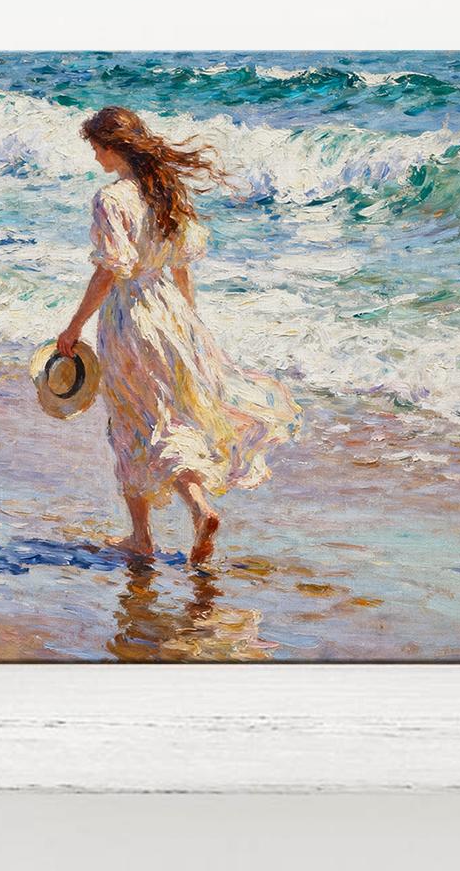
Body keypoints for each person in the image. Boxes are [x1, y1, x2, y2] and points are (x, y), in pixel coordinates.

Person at [56, 105, 299, 566]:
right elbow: (182, 266)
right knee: (173, 418)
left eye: (97, 149)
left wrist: (74, 326)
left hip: (130, 319)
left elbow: (110, 272)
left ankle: (142, 536)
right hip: (172, 317)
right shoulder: (166, 192)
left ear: (114, 148)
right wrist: (189, 322)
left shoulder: (112, 199)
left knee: (132, 420)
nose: (95, 158)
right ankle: (198, 508)